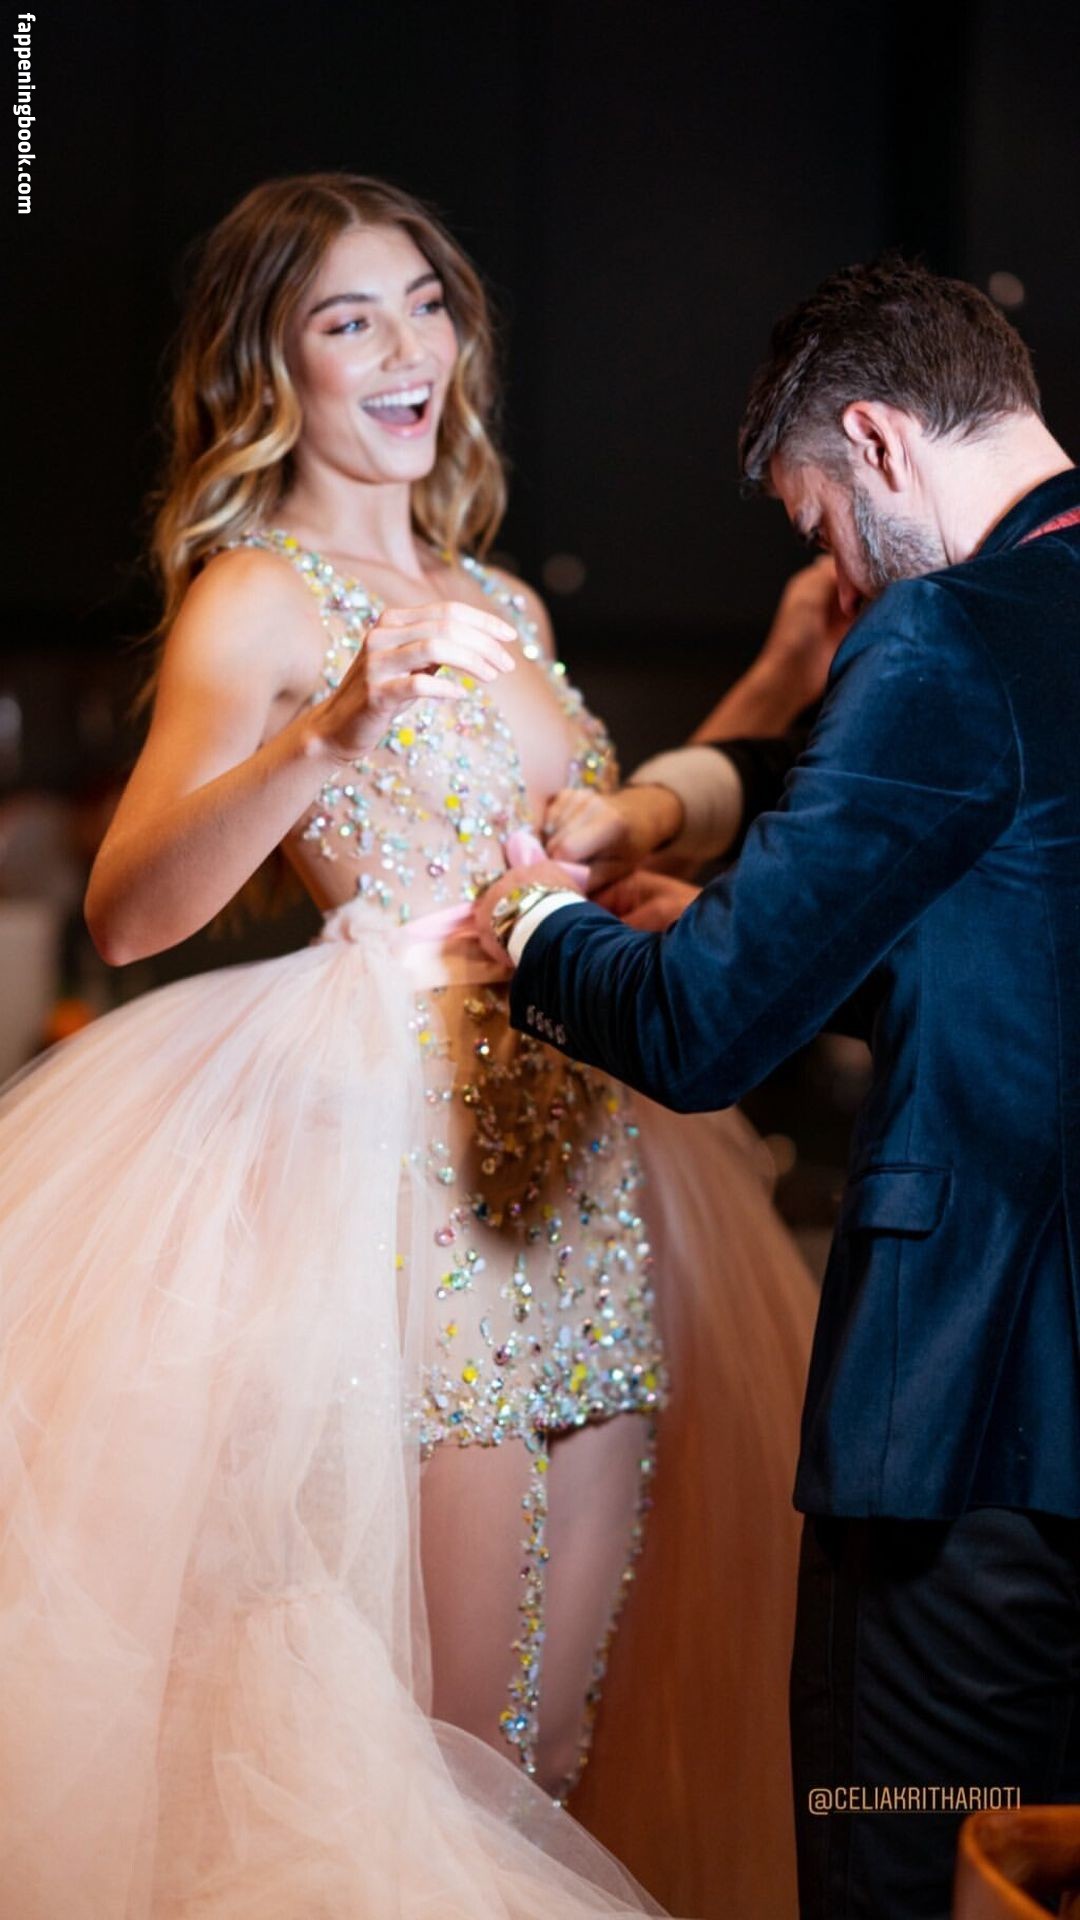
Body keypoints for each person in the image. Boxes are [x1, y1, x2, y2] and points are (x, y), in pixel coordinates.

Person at [0, 171, 819, 1919]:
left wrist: (768, 690)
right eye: (348, 319)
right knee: (448, 1755)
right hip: (411, 1180)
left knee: (555, 1743)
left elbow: (573, 838)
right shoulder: (257, 600)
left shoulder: (503, 598)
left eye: (427, 306)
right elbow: (130, 911)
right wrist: (329, 730)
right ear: (271, 366)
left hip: (593, 1164)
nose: (405, 351)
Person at [477, 257, 1080, 1920]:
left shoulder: (947, 631)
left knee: (906, 1863)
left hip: (976, 1424)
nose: (838, 576)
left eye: (821, 524)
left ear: (878, 441)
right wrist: (730, 922)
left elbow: (701, 1040)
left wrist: (535, 931)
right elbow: (1025, 955)